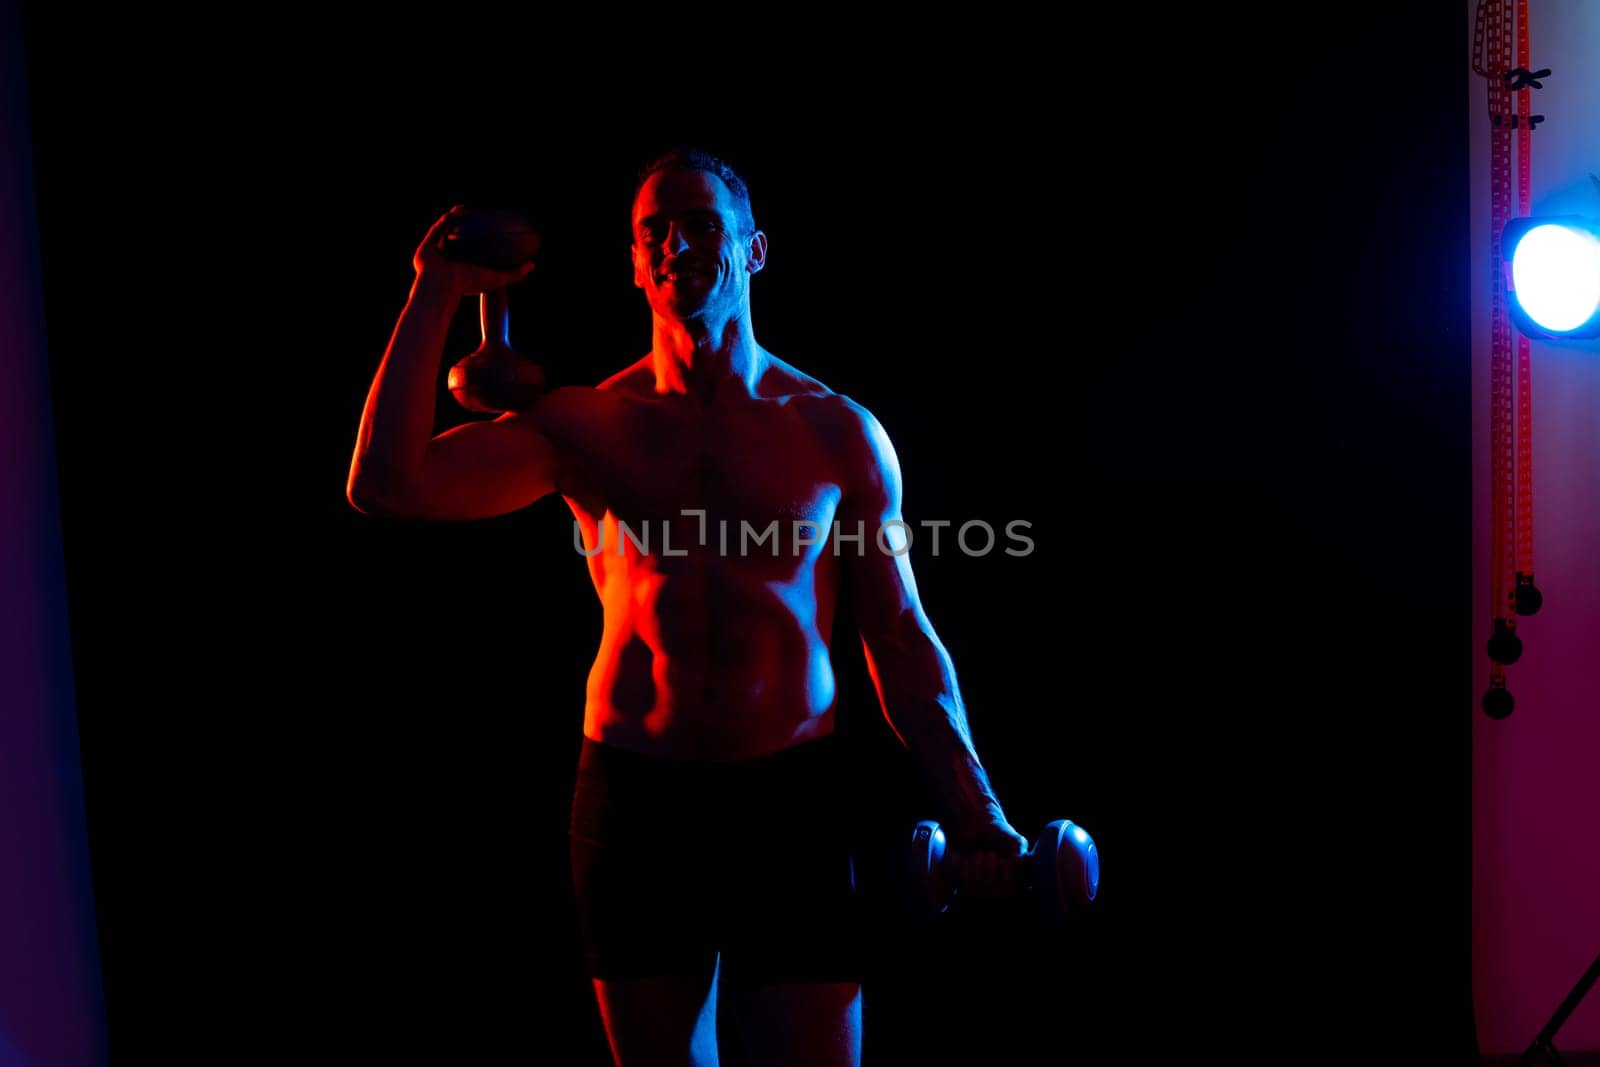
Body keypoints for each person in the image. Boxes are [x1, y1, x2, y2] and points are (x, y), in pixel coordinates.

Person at [346, 147, 1028, 1067]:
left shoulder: (837, 432)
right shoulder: (587, 424)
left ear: (752, 252)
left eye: (702, 222)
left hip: (788, 802)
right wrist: (434, 289)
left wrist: (976, 804)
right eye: (652, 230)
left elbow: (902, 639)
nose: (675, 242)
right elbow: (389, 484)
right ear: (634, 264)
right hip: (637, 800)